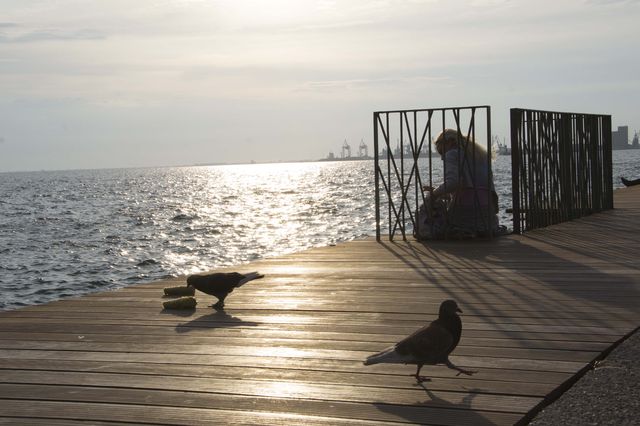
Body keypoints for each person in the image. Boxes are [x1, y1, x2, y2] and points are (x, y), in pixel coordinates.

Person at [415, 128, 499, 239]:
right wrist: (439, 191)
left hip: (464, 218)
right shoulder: (480, 155)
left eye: (440, 148)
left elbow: (453, 183)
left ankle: (424, 233)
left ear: (450, 142)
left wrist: (434, 194)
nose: (441, 156)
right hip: (487, 217)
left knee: (430, 202)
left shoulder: (452, 154)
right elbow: (472, 189)